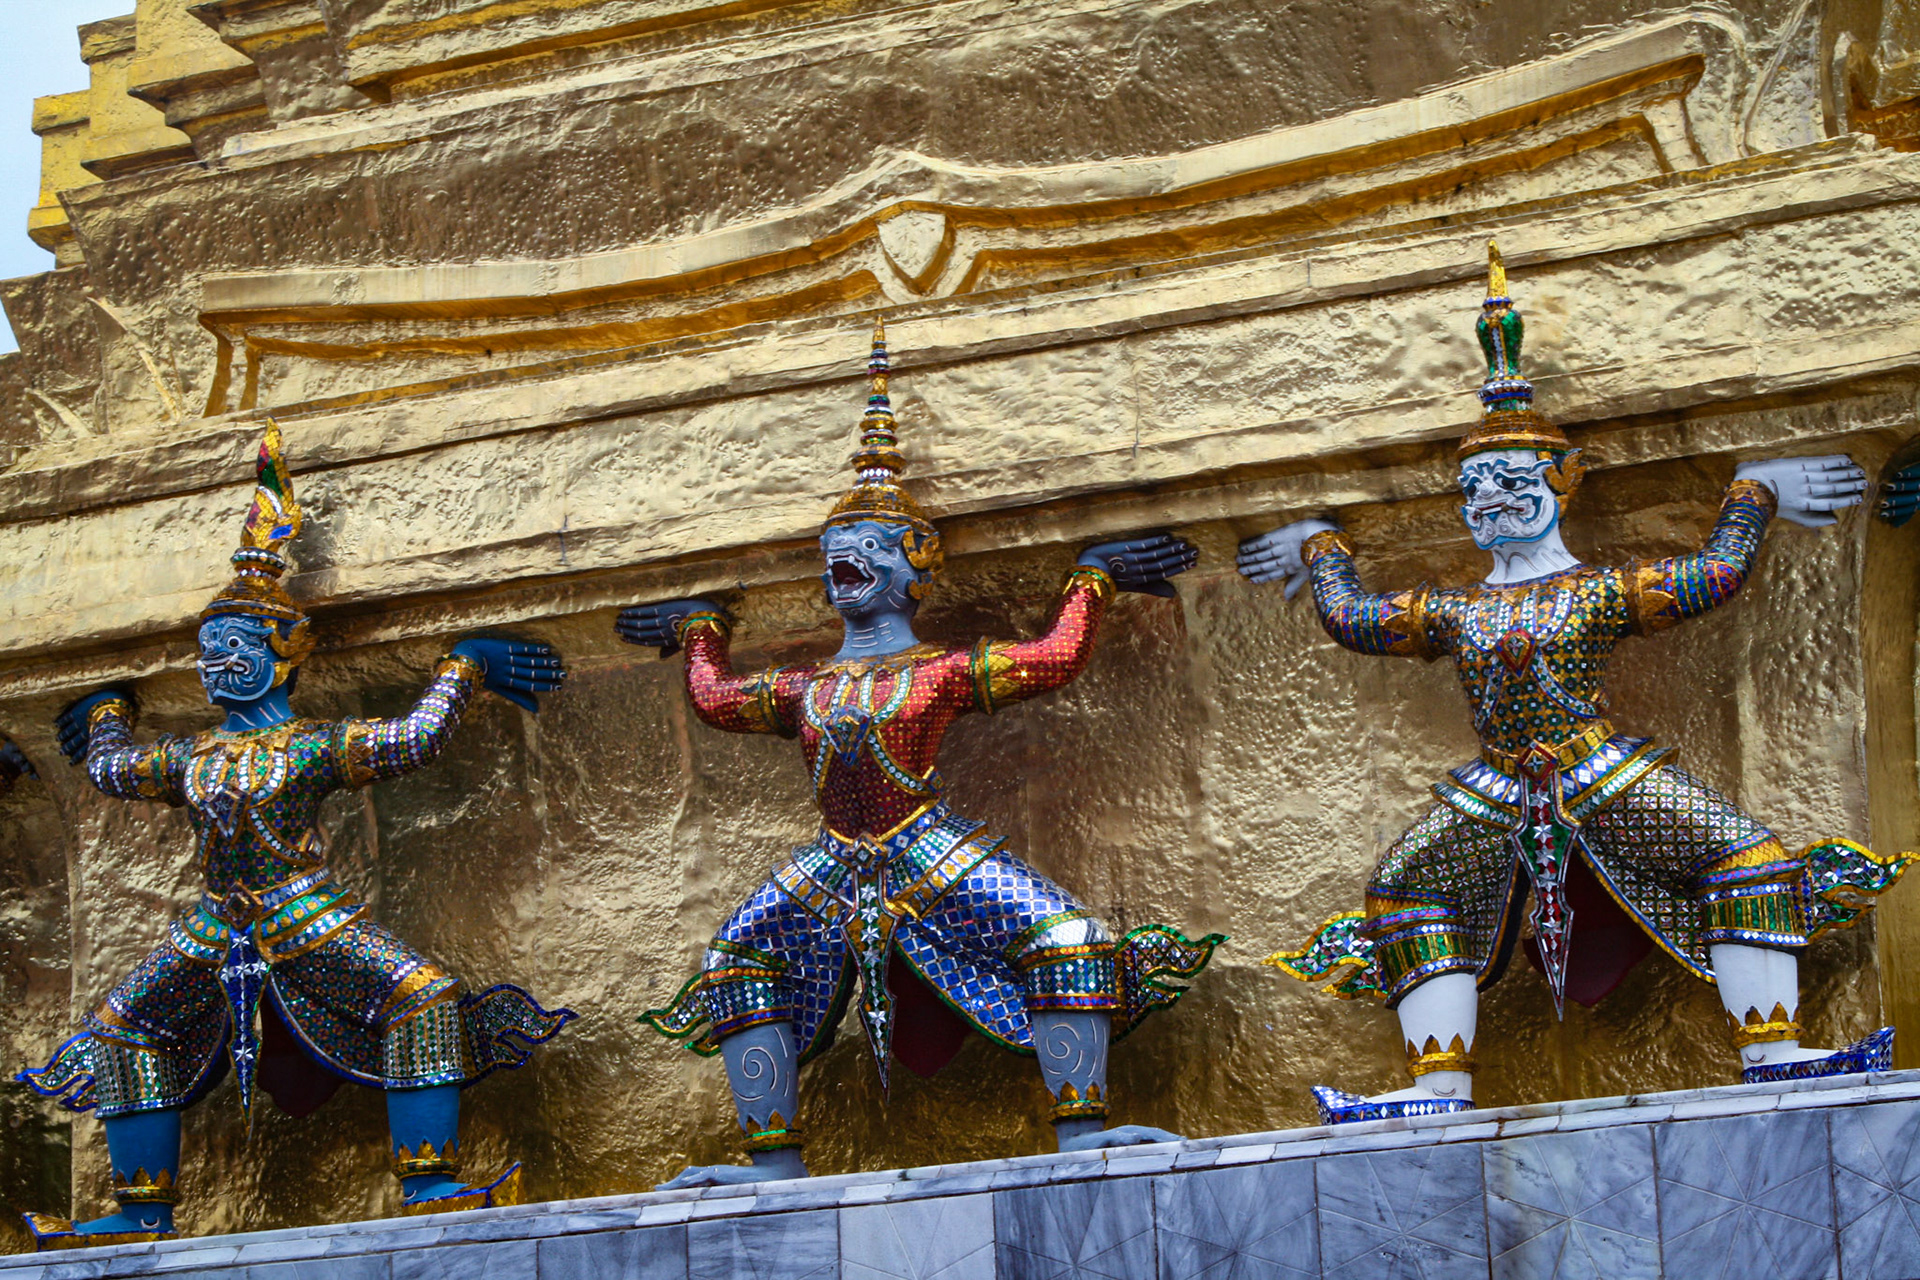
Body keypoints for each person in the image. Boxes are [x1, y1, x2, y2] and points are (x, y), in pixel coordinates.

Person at [1238, 246, 1910, 1123]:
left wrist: (1753, 492)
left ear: (1562, 484)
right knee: (1402, 890)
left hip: (1600, 770)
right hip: (1495, 784)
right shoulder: (1455, 609)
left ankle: (1774, 1054)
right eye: (1475, 488)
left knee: (1746, 857)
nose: (1490, 500)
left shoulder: (1598, 591)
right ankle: (1439, 1090)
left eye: (1512, 481)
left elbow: (1714, 575)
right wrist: (1321, 547)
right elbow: (1353, 620)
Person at [624, 322, 1221, 1184]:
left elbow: (1052, 658)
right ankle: (772, 1160)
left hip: (926, 846)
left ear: (913, 570)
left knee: (1070, 938)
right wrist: (700, 631)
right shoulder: (803, 687)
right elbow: (715, 700)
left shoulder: (937, 673)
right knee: (736, 960)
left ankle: (1082, 1131)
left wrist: (1090, 582)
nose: (845, 562)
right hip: (836, 859)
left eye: (868, 550)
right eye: (834, 556)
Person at [18, 423, 575, 1246]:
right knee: (121, 1027)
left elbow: (413, 740)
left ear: (281, 653)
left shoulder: (308, 746)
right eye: (207, 652)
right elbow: (110, 771)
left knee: (423, 996)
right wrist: (104, 714)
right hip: (215, 924)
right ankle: (141, 1210)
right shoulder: (190, 756)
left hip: (306, 915)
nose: (216, 664)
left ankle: (429, 1181)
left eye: (234, 647)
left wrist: (462, 667)